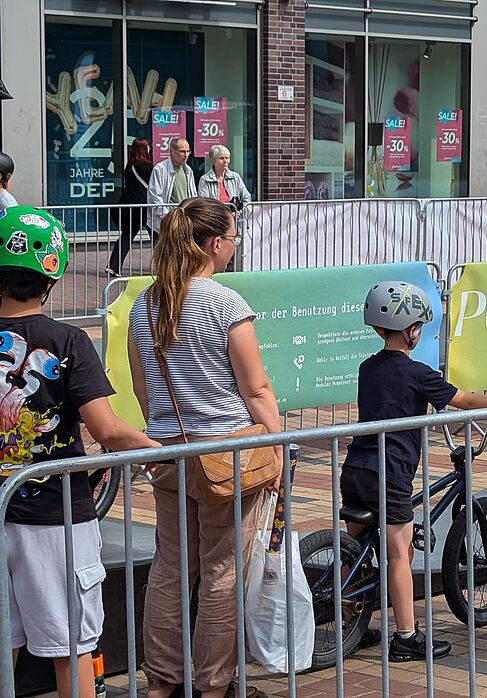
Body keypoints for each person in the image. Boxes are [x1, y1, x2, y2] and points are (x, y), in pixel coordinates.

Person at [127, 197, 283, 698]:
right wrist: (277, 445)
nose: (235, 246)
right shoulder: (226, 304)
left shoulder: (143, 305)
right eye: (233, 238)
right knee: (223, 569)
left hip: (167, 450)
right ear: (215, 244)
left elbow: (143, 390)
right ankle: (213, 684)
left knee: (171, 566)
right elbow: (255, 389)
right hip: (227, 452)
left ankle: (162, 680)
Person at [0, 206, 158, 696]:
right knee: (71, 647)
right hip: (55, 516)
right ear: (53, 276)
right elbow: (106, 429)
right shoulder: (67, 341)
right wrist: (158, 448)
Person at [342, 281, 487, 661]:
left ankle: (351, 625)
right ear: (412, 330)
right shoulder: (419, 373)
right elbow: (464, 400)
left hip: (356, 468)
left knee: (356, 551)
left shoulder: (367, 368)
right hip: (390, 472)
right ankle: (407, 637)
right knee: (399, 554)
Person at [106, 138, 154, 277]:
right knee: (157, 238)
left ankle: (113, 267)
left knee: (126, 237)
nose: (150, 149)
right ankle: (166, 265)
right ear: (144, 150)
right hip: (145, 207)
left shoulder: (129, 167)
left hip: (129, 207)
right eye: (148, 147)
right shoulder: (149, 167)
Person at [147, 137, 195, 236]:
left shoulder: (188, 170)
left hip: (184, 221)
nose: (186, 155)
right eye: (182, 151)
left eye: (188, 151)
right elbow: (155, 197)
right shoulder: (160, 169)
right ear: (172, 151)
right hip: (166, 222)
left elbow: (193, 195)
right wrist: (168, 217)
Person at [197, 145, 252, 209]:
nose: (225, 161)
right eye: (221, 158)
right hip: (216, 215)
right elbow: (204, 204)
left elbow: (247, 198)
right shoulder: (205, 179)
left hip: (235, 214)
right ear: (214, 160)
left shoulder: (235, 177)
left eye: (227, 158)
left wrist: (240, 211)